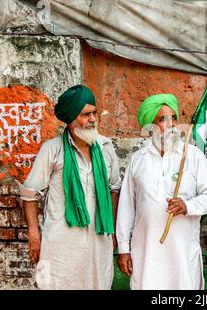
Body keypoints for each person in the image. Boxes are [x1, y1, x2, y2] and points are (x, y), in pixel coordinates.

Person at [20, 85, 121, 289]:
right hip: (61, 244)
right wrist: (34, 234)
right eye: (86, 115)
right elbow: (30, 194)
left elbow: (114, 190)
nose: (93, 119)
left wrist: (114, 231)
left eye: (94, 113)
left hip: (98, 241)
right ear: (72, 120)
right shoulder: (53, 149)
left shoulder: (106, 148)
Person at [116, 93, 207, 290]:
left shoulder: (193, 156)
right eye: (162, 119)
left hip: (182, 254)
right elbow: (126, 207)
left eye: (173, 118)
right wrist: (123, 249)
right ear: (150, 127)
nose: (170, 124)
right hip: (146, 254)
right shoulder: (138, 159)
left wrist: (187, 205)